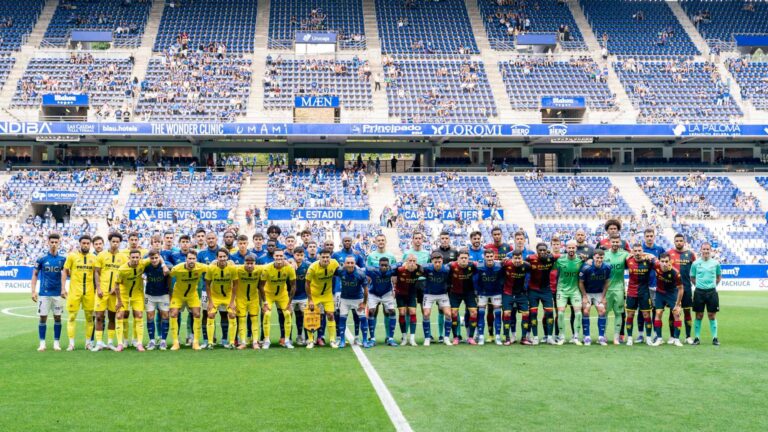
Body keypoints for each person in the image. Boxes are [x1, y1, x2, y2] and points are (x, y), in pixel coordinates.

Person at [114, 250, 168, 352]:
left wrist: (164, 265)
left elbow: (157, 256)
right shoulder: (122, 269)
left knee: (139, 315)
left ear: (140, 258)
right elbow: (116, 285)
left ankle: (139, 343)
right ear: (129, 257)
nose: (135, 259)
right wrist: (119, 301)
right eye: (133, 257)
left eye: (137, 257)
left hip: (137, 294)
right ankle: (120, 344)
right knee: (120, 315)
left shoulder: (143, 263)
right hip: (124, 295)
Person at [31, 233, 67, 352]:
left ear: (59, 243)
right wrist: (33, 291)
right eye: (52, 242)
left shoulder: (62, 259)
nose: (54, 244)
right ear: (48, 242)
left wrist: (63, 289)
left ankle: (56, 343)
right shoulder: (41, 258)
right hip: (44, 294)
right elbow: (35, 275)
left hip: (57, 293)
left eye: (56, 242)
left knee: (58, 318)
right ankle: (42, 343)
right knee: (43, 318)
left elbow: (67, 274)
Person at [92, 232, 126, 351]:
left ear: (119, 243)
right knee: (99, 316)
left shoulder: (123, 258)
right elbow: (96, 272)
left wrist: (116, 288)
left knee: (112, 317)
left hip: (115, 292)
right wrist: (99, 288)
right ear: (109, 241)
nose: (115, 244)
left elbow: (124, 276)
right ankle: (99, 343)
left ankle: (110, 342)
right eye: (113, 241)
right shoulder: (101, 255)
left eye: (117, 242)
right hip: (102, 291)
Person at [62, 235, 96, 351]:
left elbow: (97, 275)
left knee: (90, 318)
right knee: (71, 317)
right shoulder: (72, 256)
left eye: (87, 243)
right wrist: (63, 288)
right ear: (80, 243)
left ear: (90, 244)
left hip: (89, 292)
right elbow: (65, 272)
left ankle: (88, 343)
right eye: (83, 243)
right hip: (74, 292)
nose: (85, 245)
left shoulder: (94, 257)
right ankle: (71, 344)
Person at [168, 251, 207, 350]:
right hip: (178, 294)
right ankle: (175, 342)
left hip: (192, 295)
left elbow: (212, 267)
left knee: (197, 314)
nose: (191, 261)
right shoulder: (177, 268)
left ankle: (195, 342)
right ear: (186, 259)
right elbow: (169, 275)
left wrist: (216, 261)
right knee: (173, 314)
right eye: (189, 258)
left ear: (196, 259)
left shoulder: (200, 267)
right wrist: (170, 293)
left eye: (193, 259)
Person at [259, 249, 296, 349]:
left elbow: (293, 286)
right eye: (277, 256)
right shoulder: (267, 268)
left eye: (281, 256)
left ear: (284, 257)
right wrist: (265, 302)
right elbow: (261, 286)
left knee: (288, 314)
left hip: (282, 295)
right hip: (269, 295)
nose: (279, 258)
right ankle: (266, 340)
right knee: (266, 314)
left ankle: (287, 340)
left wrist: (289, 302)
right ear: (274, 257)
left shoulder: (289, 268)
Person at [305, 249, 340, 349]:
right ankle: (311, 341)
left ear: (330, 257)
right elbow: (307, 284)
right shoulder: (312, 268)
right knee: (311, 316)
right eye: (323, 257)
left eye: (327, 257)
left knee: (330, 315)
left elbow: (341, 272)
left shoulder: (334, 263)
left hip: (327, 295)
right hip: (314, 295)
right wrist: (310, 299)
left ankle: (332, 340)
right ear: (319, 257)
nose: (325, 259)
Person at [204, 248, 239, 349]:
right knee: (210, 315)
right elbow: (207, 285)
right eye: (220, 257)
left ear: (227, 257)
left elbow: (236, 285)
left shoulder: (232, 268)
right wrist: (210, 301)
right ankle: (210, 342)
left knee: (232, 315)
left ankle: (231, 342)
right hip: (215, 296)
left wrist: (232, 301)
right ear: (217, 258)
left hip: (228, 296)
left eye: (224, 256)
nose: (222, 258)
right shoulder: (211, 268)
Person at [335, 256, 372, 348]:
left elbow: (366, 290)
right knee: (342, 319)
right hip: (344, 299)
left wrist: (364, 303)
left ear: (355, 264)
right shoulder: (340, 271)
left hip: (358, 299)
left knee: (363, 319)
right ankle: (342, 340)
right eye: (348, 263)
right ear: (344, 263)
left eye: (352, 263)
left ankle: (364, 340)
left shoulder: (360, 274)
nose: (350, 265)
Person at [667, 233, 697, 344]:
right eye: (677, 241)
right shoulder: (669, 253)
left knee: (687, 311)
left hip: (687, 288)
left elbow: (696, 269)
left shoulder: (691, 254)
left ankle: (688, 336)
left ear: (684, 241)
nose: (679, 242)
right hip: (673, 289)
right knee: (672, 312)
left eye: (681, 240)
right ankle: (672, 336)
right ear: (674, 242)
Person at [624, 243, 656, 346]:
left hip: (644, 293)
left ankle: (648, 338)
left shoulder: (648, 260)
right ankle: (629, 338)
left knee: (647, 315)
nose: (638, 253)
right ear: (632, 252)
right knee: (630, 315)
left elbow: (658, 261)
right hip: (631, 292)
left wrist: (649, 254)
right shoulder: (628, 260)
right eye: (635, 251)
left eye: (639, 251)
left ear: (642, 251)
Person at [690, 242, 722, 346]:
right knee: (699, 315)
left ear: (710, 250)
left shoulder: (716, 263)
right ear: (701, 250)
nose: (706, 251)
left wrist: (711, 285)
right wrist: (699, 285)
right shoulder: (695, 264)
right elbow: (692, 277)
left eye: (708, 249)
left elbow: (718, 277)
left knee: (711, 315)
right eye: (704, 249)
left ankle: (715, 338)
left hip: (712, 292)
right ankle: (697, 338)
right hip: (699, 292)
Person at [526, 243, 558, 345]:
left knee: (549, 313)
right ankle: (535, 337)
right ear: (537, 250)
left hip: (546, 290)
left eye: (544, 250)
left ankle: (549, 337)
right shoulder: (530, 258)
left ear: (547, 250)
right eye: (540, 250)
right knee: (533, 313)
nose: (542, 252)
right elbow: (517, 260)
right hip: (533, 290)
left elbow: (563, 255)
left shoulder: (551, 258)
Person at [578, 249, 611, 346]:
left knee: (602, 311)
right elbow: (580, 282)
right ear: (593, 257)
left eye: (601, 257)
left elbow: (607, 282)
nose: (599, 259)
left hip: (599, 293)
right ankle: (586, 337)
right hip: (587, 292)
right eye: (597, 257)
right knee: (586, 310)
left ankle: (601, 337)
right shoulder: (586, 268)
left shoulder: (607, 267)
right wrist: (584, 296)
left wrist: (603, 296)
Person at [555, 240, 584, 345]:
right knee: (561, 313)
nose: (571, 250)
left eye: (573, 248)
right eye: (569, 248)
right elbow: (550, 267)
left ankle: (576, 337)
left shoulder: (580, 260)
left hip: (575, 290)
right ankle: (561, 337)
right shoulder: (560, 260)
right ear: (566, 248)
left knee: (578, 313)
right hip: (562, 290)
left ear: (576, 248)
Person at [651, 253, 684, 347]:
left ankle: (677, 339)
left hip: (672, 293)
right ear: (659, 261)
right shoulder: (655, 265)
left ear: (670, 261)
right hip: (660, 292)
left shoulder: (675, 273)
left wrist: (678, 304)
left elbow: (681, 289)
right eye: (662, 261)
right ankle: (659, 339)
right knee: (658, 313)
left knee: (676, 314)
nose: (664, 263)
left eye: (666, 261)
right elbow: (650, 256)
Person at [420, 253, 453, 346]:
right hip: (429, 293)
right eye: (435, 262)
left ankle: (446, 338)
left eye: (439, 262)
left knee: (448, 314)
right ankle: (427, 338)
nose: (437, 264)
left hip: (442, 294)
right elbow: (417, 267)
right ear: (432, 261)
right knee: (426, 314)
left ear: (442, 261)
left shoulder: (446, 269)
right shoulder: (426, 267)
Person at [603, 234, 630, 345]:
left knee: (619, 313)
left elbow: (638, 256)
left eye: (617, 242)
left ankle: (616, 337)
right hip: (606, 289)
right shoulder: (604, 255)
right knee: (604, 313)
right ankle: (603, 335)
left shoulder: (625, 255)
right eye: (613, 242)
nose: (615, 244)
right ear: (610, 242)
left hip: (619, 289)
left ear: (620, 243)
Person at [365, 257, 399, 346]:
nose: (384, 267)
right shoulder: (372, 270)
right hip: (373, 293)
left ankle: (390, 338)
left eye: (385, 265)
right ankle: (372, 338)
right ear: (378, 265)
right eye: (382, 265)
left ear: (388, 265)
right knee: (372, 311)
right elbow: (361, 269)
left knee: (392, 311)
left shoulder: (392, 270)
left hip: (387, 293)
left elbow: (401, 264)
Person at [501, 251, 532, 345]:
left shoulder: (527, 266)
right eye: (515, 258)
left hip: (521, 294)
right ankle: (507, 338)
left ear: (522, 258)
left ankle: (524, 338)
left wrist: (526, 287)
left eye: (519, 258)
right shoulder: (506, 264)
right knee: (507, 313)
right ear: (512, 258)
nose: (517, 260)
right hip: (508, 293)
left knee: (526, 313)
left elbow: (529, 276)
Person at [474, 249, 504, 345]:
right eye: (488, 257)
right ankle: (481, 336)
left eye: (491, 256)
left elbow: (502, 279)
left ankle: (498, 336)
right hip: (483, 293)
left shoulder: (499, 267)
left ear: (494, 256)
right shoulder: (479, 267)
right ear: (484, 257)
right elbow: (475, 280)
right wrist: (478, 292)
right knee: (481, 313)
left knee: (498, 314)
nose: (490, 258)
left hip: (496, 293)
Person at [448, 250, 478, 345]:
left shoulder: (472, 266)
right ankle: (455, 337)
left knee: (473, 313)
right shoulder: (451, 266)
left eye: (466, 258)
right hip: (455, 293)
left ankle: (470, 337)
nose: (464, 260)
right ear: (458, 259)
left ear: (468, 259)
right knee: (453, 313)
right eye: (462, 258)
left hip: (469, 292)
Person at [144, 249, 171, 350]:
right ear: (149, 258)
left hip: (163, 294)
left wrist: (164, 265)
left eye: (156, 258)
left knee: (165, 316)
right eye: (152, 258)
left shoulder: (166, 264)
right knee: (150, 316)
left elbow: (170, 270)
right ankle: (152, 341)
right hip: (149, 295)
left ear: (159, 257)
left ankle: (163, 341)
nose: (154, 260)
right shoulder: (146, 265)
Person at [235, 255, 263, 350]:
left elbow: (271, 265)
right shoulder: (238, 269)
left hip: (254, 299)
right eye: (248, 263)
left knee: (254, 320)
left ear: (255, 263)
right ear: (244, 263)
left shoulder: (259, 269)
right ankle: (243, 342)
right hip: (240, 299)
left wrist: (288, 261)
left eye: (252, 263)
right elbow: (227, 265)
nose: (250, 266)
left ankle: (255, 342)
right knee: (242, 320)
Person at [394, 254, 423, 346]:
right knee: (402, 313)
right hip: (400, 294)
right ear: (406, 261)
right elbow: (392, 275)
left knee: (413, 312)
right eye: (410, 261)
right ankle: (404, 338)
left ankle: (412, 339)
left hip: (411, 294)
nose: (412, 263)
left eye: (414, 261)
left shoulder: (419, 270)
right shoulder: (399, 269)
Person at [290, 247, 310, 346]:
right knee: (289, 317)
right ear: (293, 255)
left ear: (304, 255)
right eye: (297, 255)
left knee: (305, 316)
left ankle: (305, 337)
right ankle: (288, 338)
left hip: (303, 296)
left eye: (301, 255)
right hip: (291, 297)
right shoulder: (289, 265)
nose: (299, 257)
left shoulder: (307, 266)